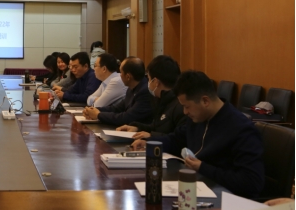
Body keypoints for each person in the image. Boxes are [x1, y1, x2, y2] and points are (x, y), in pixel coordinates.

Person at [132, 70, 265, 198]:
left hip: (227, 198)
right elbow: (176, 139)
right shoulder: (198, 118)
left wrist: (202, 167)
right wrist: (151, 144)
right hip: (198, 186)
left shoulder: (241, 128)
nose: (185, 112)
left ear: (205, 101)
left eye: (187, 106)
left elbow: (251, 182)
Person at [117, 55, 185, 138]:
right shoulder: (162, 100)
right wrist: (137, 128)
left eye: (149, 79)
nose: (148, 83)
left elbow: (178, 139)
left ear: (156, 82)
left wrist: (151, 136)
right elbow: (156, 127)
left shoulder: (180, 105)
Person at [83, 56, 153, 126]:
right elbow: (116, 108)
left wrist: (98, 115)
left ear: (128, 77)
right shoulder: (131, 88)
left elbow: (127, 117)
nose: (119, 75)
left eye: (121, 72)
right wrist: (92, 110)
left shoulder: (145, 92)